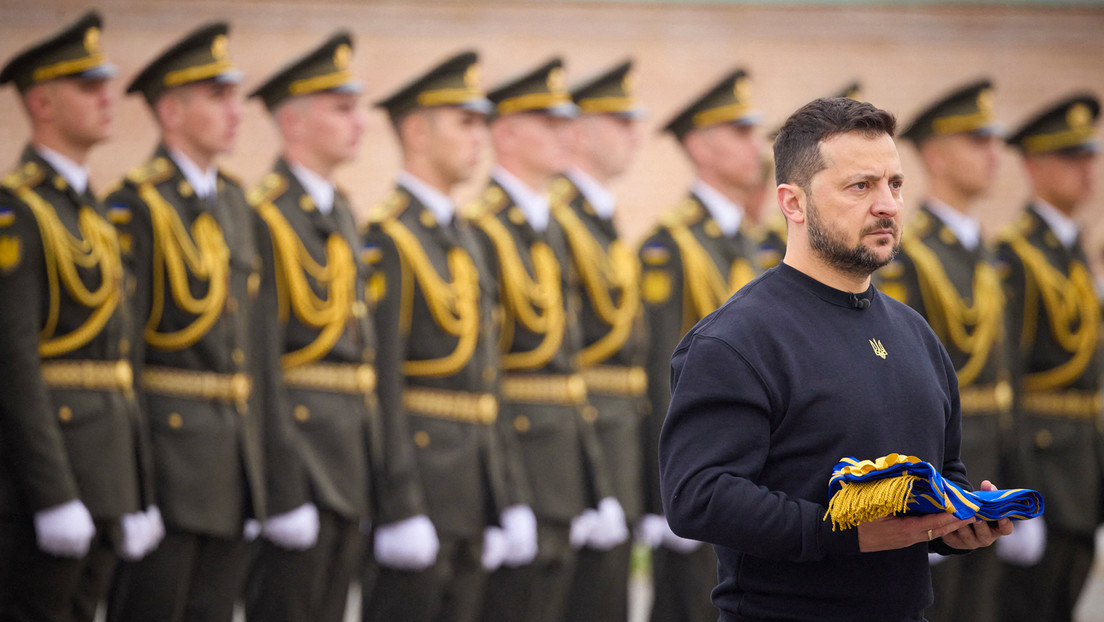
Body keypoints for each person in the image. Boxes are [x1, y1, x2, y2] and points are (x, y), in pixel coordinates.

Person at [659, 96, 1012, 622]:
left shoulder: (915, 334)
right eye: (860, 186)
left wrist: (959, 521)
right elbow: (698, 495)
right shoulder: (738, 338)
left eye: (894, 184)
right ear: (793, 203)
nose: (888, 205)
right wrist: (840, 531)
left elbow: (945, 472)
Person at [243, 32, 434, 622]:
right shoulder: (266, 216)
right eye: (341, 108)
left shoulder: (342, 217)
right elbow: (260, 364)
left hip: (348, 459)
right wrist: (279, 487)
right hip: (301, 461)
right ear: (293, 122)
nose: (360, 122)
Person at [102, 22, 267, 622]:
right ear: (170, 111)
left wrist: (262, 475)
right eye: (217, 97)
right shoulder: (135, 206)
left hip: (231, 468)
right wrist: (132, 487)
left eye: (235, 95)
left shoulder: (234, 202)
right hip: (168, 464)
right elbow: (125, 358)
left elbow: (251, 350)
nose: (236, 112)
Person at [0, 11, 157, 621]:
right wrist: (54, 494)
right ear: (42, 102)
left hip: (105, 479)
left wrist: (136, 490)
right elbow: (14, 366)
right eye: (87, 87)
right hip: (49, 486)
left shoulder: (95, 215)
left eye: (107, 84)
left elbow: (122, 364)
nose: (106, 98)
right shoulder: (17, 214)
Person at [358, 49, 506, 622]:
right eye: (464, 122)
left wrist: (500, 497)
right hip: (421, 482)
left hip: (470, 485)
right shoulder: (389, 236)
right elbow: (384, 380)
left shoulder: (464, 237)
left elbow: (487, 382)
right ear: (417, 131)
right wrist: (398, 505)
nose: (480, 137)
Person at [468, 57, 615, 622]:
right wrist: (506, 494)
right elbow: (489, 371)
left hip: (561, 461)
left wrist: (592, 479)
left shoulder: (549, 224)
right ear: (504, 133)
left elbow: (568, 369)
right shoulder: (486, 226)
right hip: (518, 459)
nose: (567, 135)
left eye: (567, 123)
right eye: (548, 124)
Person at [878, 78, 1013, 622]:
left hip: (987, 472)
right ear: (934, 153)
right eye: (975, 141)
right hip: (937, 473)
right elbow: (896, 378)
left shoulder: (983, 248)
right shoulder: (910, 252)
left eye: (993, 140)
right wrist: (913, 496)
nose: (992, 154)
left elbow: (1011, 377)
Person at [636, 67, 765, 622]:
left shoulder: (753, 244)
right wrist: (667, 490)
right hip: (704, 478)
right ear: (700, 145)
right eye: (738, 133)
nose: (755, 148)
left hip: (758, 479)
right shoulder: (671, 246)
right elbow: (662, 377)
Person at [995, 92, 1102, 622]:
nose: (1088, 170)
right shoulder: (1017, 255)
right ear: (1034, 165)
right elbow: (1006, 381)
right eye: (1071, 158)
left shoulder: (1072, 252)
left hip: (1082, 469)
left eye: (1089, 157)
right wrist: (1017, 491)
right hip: (1043, 470)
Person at [551, 59, 643, 622]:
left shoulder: (599, 219)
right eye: (621, 121)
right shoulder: (561, 219)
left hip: (619, 437)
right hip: (576, 443)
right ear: (579, 133)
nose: (635, 134)